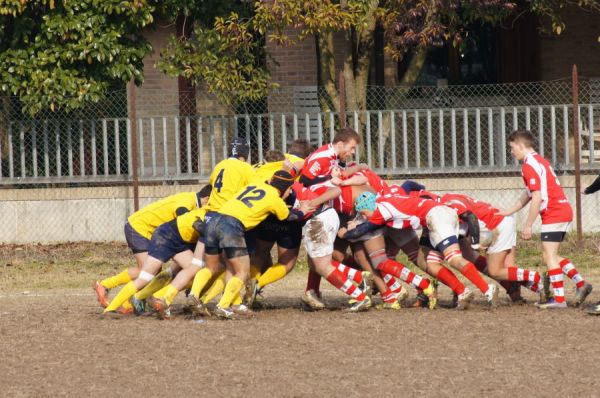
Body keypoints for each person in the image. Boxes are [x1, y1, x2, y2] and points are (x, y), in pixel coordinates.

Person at [188, 170, 311, 319]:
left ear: (271, 181)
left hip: (215, 220)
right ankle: (223, 306)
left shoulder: (255, 185)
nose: (290, 192)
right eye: (290, 189)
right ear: (286, 188)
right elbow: (288, 217)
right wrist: (302, 211)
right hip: (231, 226)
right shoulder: (275, 199)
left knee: (212, 267)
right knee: (242, 272)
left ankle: (194, 295)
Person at [341, 191, 498, 307]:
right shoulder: (385, 199)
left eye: (363, 213)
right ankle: (461, 291)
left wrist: (342, 232)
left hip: (436, 217)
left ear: (367, 207)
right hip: (434, 218)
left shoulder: (379, 211)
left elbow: (361, 231)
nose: (365, 217)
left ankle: (487, 289)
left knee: (454, 258)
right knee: (430, 264)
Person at [499, 130, 593, 309]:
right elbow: (528, 194)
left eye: (512, 147)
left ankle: (559, 299)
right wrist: (507, 211)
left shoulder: (529, 165)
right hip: (562, 210)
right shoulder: (539, 161)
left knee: (549, 255)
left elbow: (536, 196)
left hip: (554, 212)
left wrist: (528, 225)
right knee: (550, 255)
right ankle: (581, 284)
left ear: (520, 145)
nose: (511, 152)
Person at [92, 185, 211, 311]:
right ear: (207, 199)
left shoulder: (193, 202)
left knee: (153, 271)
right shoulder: (188, 200)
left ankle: (128, 300)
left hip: (156, 233)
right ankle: (108, 287)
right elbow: (182, 215)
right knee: (148, 272)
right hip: (140, 228)